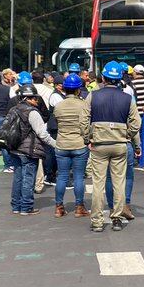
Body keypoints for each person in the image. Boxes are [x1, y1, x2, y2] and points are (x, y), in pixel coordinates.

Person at [86, 62, 141, 232]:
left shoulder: (93, 96)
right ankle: (117, 218)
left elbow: (83, 120)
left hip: (99, 144)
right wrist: (128, 135)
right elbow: (136, 122)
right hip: (119, 144)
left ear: (103, 78)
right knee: (119, 183)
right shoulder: (127, 98)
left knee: (98, 184)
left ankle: (97, 221)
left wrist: (88, 138)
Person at [7, 84, 58, 216]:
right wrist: (56, 144)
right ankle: (26, 206)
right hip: (28, 150)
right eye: (35, 98)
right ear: (29, 98)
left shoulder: (13, 109)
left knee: (18, 178)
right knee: (28, 178)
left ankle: (16, 206)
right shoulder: (32, 112)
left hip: (14, 147)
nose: (37, 101)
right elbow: (42, 134)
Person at [52, 73, 91, 217]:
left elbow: (56, 122)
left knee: (62, 176)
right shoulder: (83, 105)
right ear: (78, 89)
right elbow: (86, 124)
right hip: (79, 144)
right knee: (78, 177)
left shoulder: (58, 106)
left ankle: (59, 207)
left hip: (62, 144)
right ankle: (79, 207)